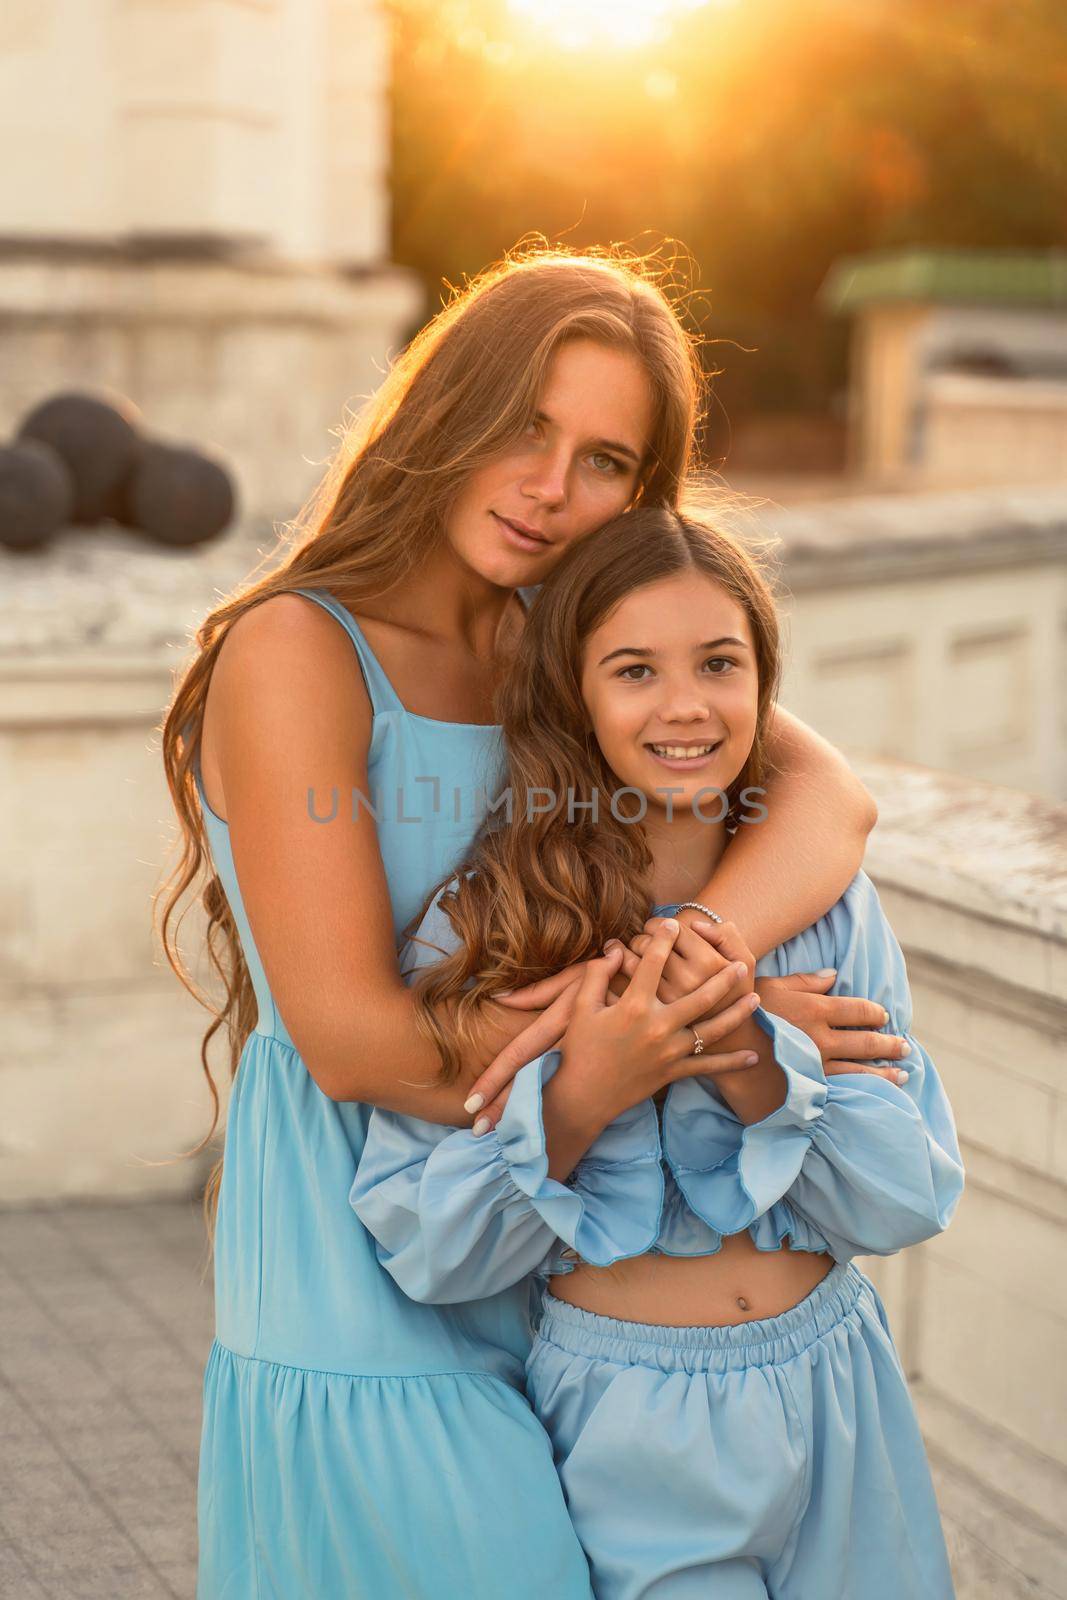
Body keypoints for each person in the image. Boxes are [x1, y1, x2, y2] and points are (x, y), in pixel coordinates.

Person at [159, 248, 890, 1597]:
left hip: (553, 1250)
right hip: (356, 1281)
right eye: (520, 425)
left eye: (605, 459)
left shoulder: (559, 638)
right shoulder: (298, 651)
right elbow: (354, 1044)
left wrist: (690, 980)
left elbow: (827, 801)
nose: (550, 488)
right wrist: (666, 1036)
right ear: (444, 408)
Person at [351, 507, 964, 1599]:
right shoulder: (489, 924)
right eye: (633, 669)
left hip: (837, 1384)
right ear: (572, 694)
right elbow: (429, 1249)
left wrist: (749, 1056)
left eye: (719, 663)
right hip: (629, 1424)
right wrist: (585, 1089)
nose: (685, 705)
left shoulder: (827, 906)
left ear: (763, 682)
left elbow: (906, 1196)